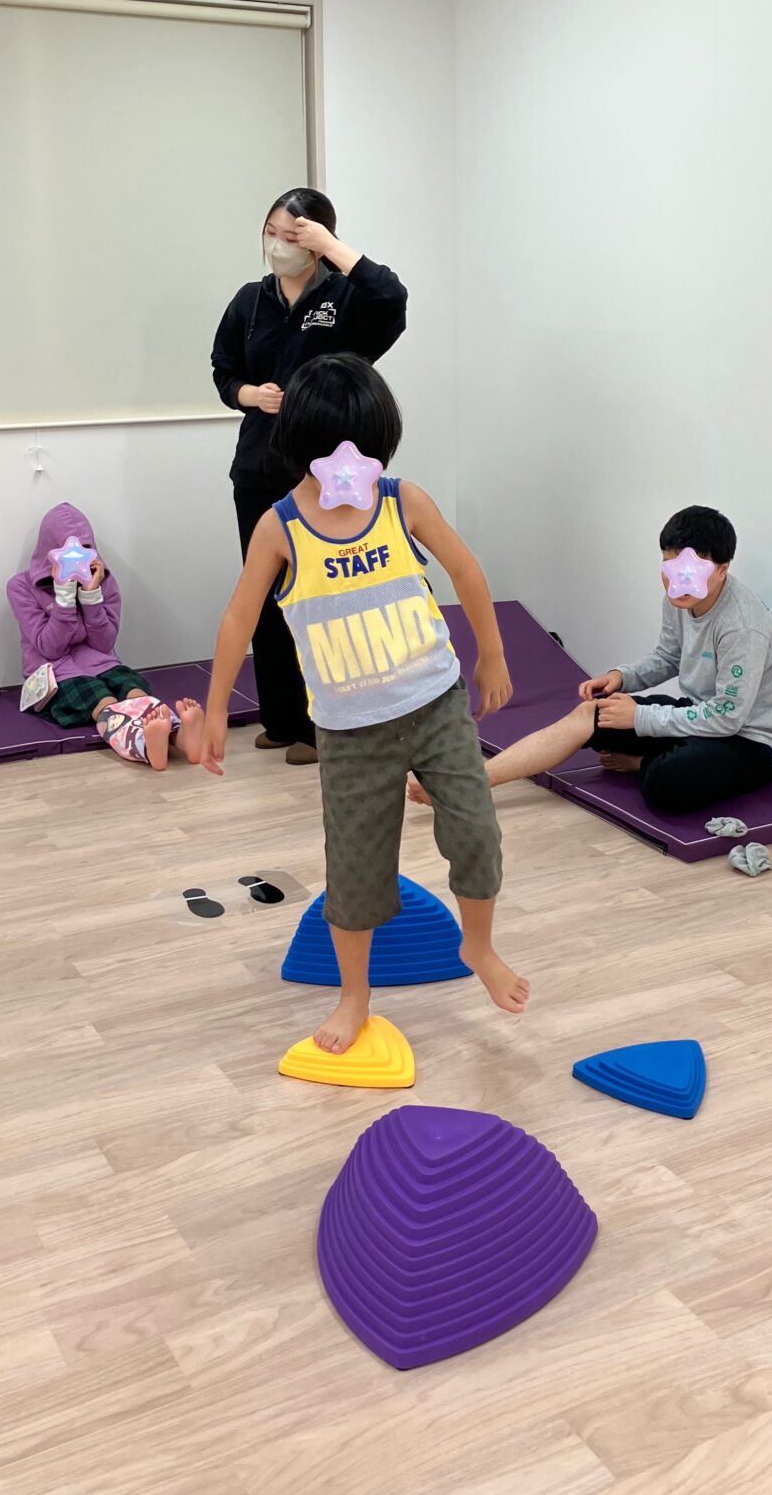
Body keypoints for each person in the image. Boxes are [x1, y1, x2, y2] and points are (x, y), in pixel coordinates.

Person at [201, 353, 527, 1054]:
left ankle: (478, 946)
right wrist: (215, 710)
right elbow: (238, 619)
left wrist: (493, 653)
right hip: (350, 732)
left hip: (435, 705)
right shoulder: (281, 528)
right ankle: (354, 997)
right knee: (354, 873)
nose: (355, 468)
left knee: (477, 833)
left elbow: (466, 569)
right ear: (305, 450)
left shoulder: (402, 501)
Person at [413, 505, 772, 816]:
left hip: (750, 740)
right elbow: (669, 656)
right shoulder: (679, 598)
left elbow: (728, 718)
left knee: (665, 785)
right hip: (699, 715)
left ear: (723, 569)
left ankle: (644, 762)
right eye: (669, 569)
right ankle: (470, 782)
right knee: (592, 714)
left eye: (690, 572)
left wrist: (641, 717)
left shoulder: (743, 627)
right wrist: (622, 677)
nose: (676, 582)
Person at [211, 188, 407, 767]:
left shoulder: (347, 297)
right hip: (258, 468)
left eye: (293, 234)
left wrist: (333, 249)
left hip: (329, 476)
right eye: (271, 231)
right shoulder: (250, 301)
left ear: (319, 239)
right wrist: (249, 394)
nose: (279, 244)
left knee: (325, 597)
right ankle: (282, 719)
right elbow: (224, 372)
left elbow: (392, 298)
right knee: (269, 596)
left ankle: (326, 726)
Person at [6, 502, 204, 770]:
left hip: (103, 663)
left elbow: (104, 643)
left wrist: (91, 595)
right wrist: (64, 596)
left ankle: (180, 737)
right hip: (55, 673)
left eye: (85, 549)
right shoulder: (21, 587)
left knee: (133, 689)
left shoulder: (105, 581)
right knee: (103, 699)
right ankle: (144, 745)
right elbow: (51, 649)